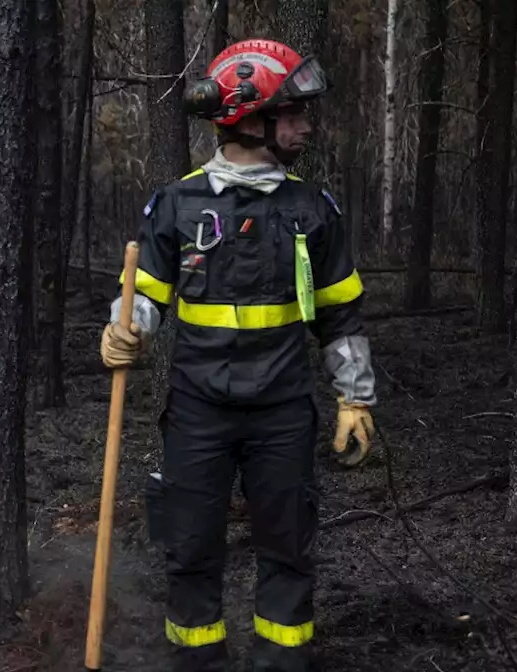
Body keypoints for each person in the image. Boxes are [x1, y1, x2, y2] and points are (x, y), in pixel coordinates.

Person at [101, 39, 377, 672]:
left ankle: (280, 662)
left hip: (283, 413)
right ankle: (197, 661)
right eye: (294, 113)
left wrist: (355, 398)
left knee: (288, 546)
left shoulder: (312, 209)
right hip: (199, 412)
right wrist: (125, 330)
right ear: (250, 118)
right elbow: (145, 296)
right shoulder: (177, 204)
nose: (306, 125)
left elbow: (341, 314)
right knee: (190, 545)